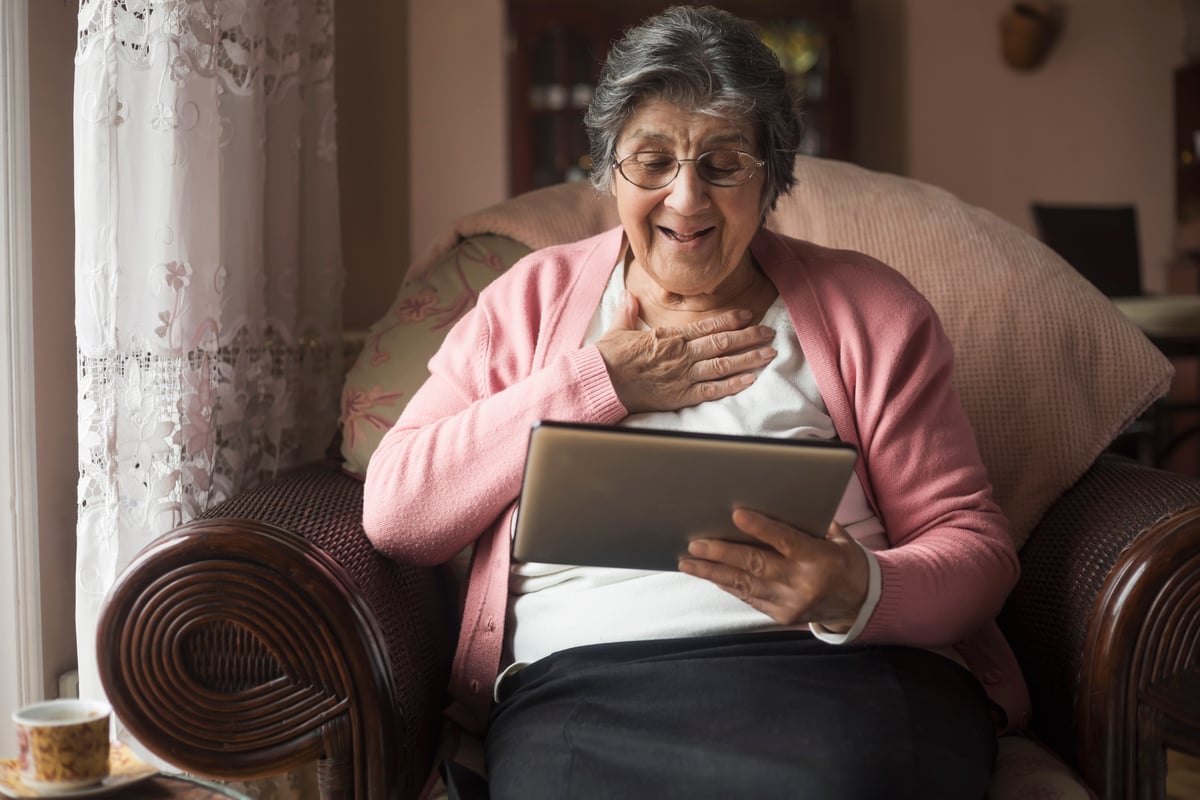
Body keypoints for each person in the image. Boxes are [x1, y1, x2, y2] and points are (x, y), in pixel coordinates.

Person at [363, 5, 1030, 798]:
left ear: (772, 176)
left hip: (839, 675)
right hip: (582, 692)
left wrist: (862, 589)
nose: (686, 201)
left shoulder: (871, 309)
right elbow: (398, 515)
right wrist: (595, 383)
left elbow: (977, 545)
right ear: (610, 170)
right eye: (652, 162)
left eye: (723, 164)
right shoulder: (532, 302)